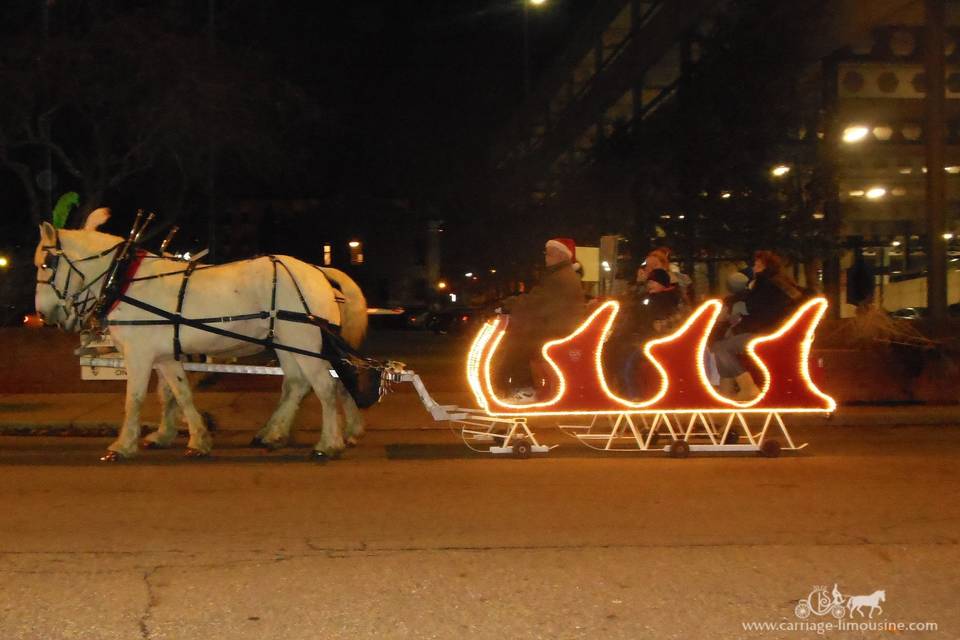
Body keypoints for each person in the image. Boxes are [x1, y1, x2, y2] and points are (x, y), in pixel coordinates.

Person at [499, 237, 585, 401]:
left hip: (558, 330)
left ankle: (526, 390)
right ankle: (522, 389)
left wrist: (511, 304)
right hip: (557, 327)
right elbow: (539, 301)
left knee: (520, 347)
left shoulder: (560, 278)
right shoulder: (559, 275)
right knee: (519, 343)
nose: (546, 257)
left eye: (549, 254)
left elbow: (539, 303)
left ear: (560, 255)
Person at [710, 251, 805, 400]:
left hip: (765, 334)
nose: (754, 268)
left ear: (766, 267)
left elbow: (753, 308)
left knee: (720, 348)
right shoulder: (780, 284)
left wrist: (735, 310)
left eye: (758, 265)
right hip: (776, 332)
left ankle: (747, 388)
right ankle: (726, 394)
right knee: (722, 345)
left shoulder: (766, 284)